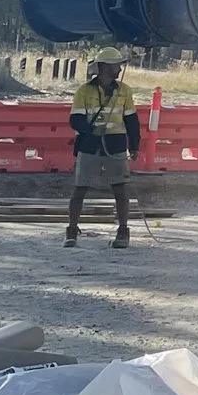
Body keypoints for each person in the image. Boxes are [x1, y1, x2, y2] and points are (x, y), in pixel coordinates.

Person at [67, 48, 140, 248]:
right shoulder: (84, 90)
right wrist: (91, 131)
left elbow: (132, 120)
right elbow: (75, 120)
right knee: (80, 188)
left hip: (115, 144)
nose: (119, 68)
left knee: (120, 189)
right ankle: (72, 230)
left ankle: (123, 231)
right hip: (90, 145)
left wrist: (134, 146)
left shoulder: (124, 90)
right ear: (105, 67)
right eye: (116, 65)